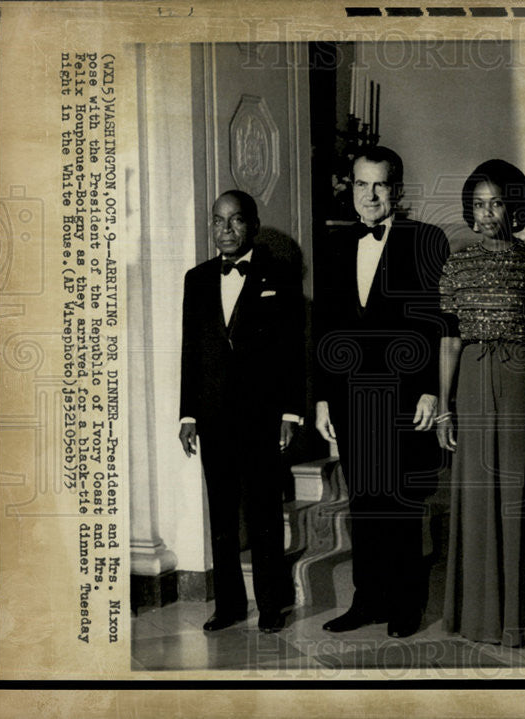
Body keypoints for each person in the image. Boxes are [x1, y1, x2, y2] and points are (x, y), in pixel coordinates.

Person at [314, 146, 449, 639]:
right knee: (364, 504)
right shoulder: (333, 245)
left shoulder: (425, 239)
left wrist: (431, 393)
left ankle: (406, 605)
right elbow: (325, 327)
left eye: (380, 185)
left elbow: (436, 322)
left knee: (402, 504)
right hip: (351, 397)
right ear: (350, 187)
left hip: (405, 396)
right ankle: (367, 600)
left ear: (398, 189)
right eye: (360, 184)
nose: (369, 195)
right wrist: (324, 397)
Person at [436, 159, 525, 646]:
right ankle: (479, 618)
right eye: (479, 204)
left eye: (497, 203)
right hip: (470, 382)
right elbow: (449, 341)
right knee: (474, 497)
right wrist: (446, 407)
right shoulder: (456, 264)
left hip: (520, 384)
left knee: (521, 498)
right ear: (470, 212)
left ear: (515, 207)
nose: (488, 213)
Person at [178, 190, 305, 634]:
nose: (225, 230)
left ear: (251, 224)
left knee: (264, 512)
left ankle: (272, 603)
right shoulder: (196, 279)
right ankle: (229, 604)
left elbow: (294, 350)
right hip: (213, 418)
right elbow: (190, 352)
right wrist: (188, 416)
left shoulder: (281, 275)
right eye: (218, 221)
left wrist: (291, 412)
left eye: (234, 221)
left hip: (263, 416)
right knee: (222, 515)